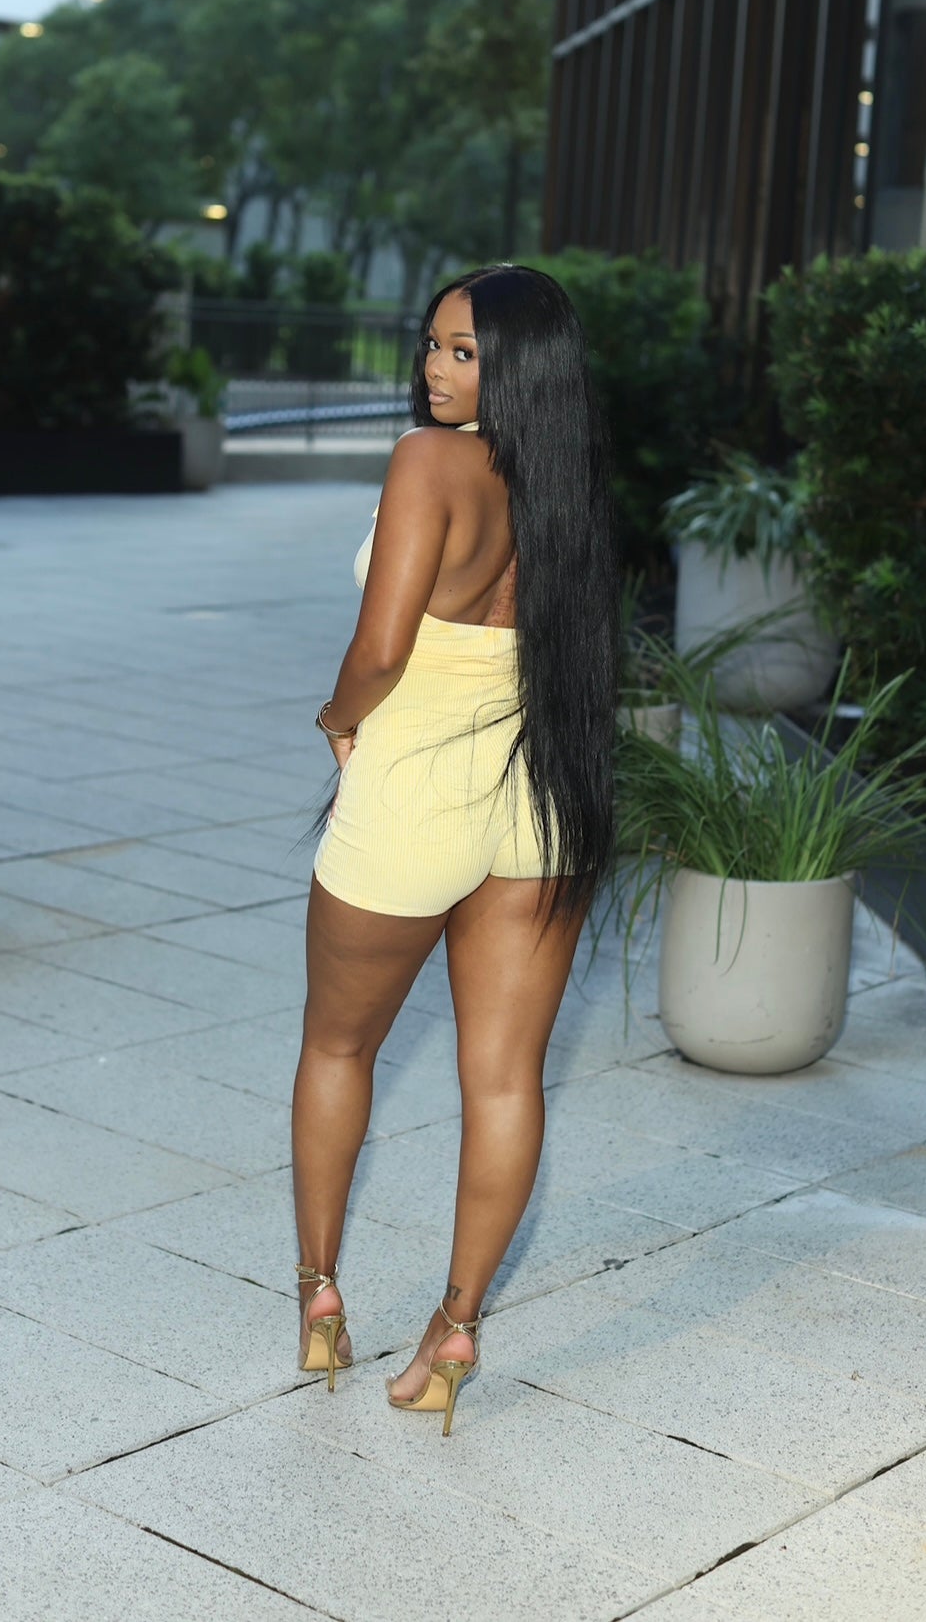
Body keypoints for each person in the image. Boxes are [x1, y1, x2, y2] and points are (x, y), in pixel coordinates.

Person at [291, 263, 618, 1435]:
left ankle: (320, 1293)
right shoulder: (566, 474)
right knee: (504, 1079)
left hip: (415, 793)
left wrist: (337, 719)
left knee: (337, 1043)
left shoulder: (429, 462)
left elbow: (382, 647)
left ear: (517, 365)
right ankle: (458, 1323)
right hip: (538, 796)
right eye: (432, 344)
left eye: (465, 352)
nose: (436, 369)